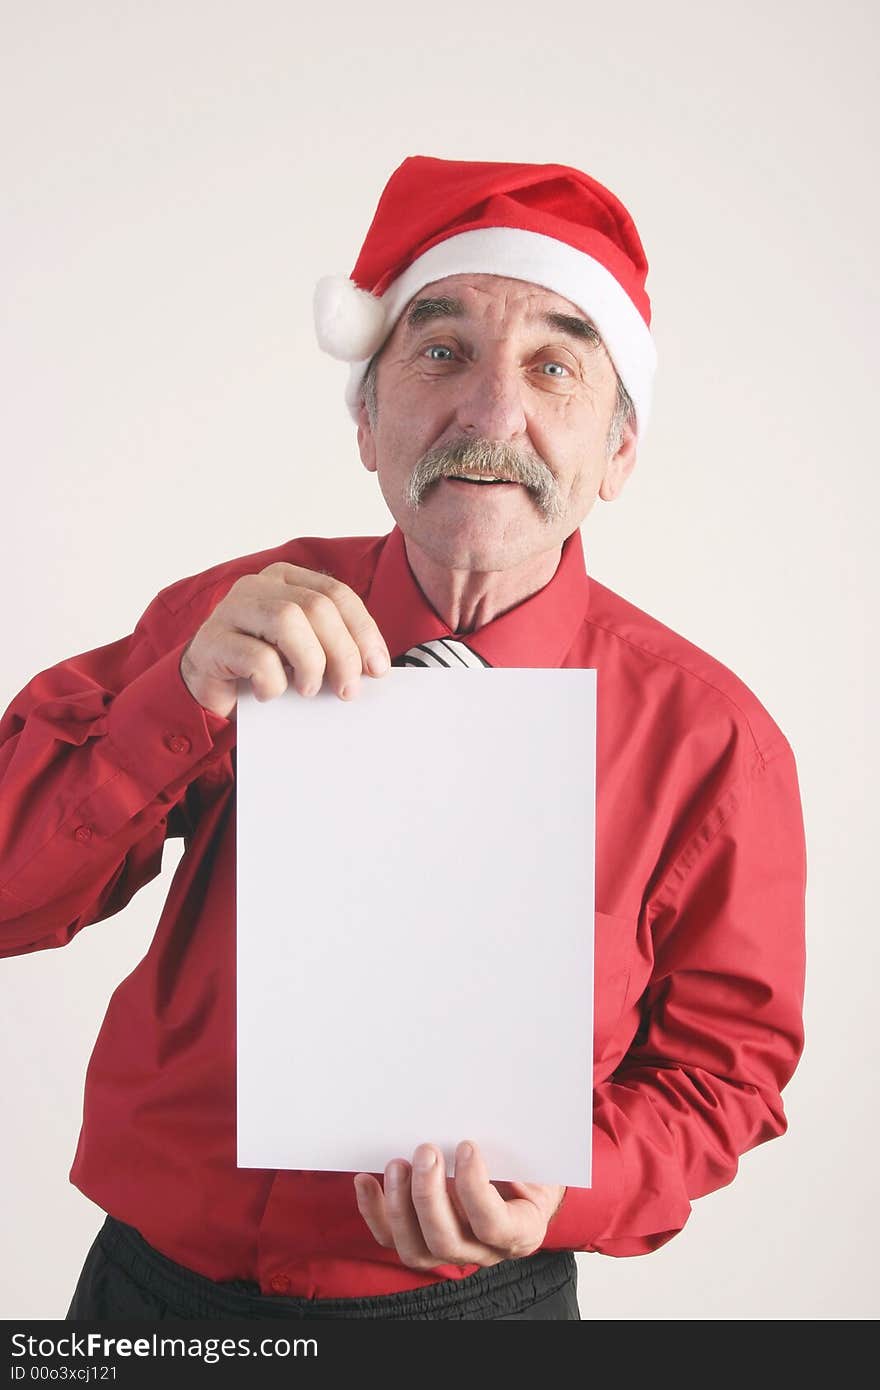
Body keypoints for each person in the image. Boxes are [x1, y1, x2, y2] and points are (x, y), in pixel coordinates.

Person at [0, 155, 807, 1321]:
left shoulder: (714, 744)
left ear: (618, 453)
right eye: (440, 352)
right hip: (149, 1299)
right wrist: (173, 705)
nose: (490, 414)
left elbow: (724, 1074)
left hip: (473, 1313)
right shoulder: (227, 621)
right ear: (367, 420)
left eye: (552, 366)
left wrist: (571, 1189)